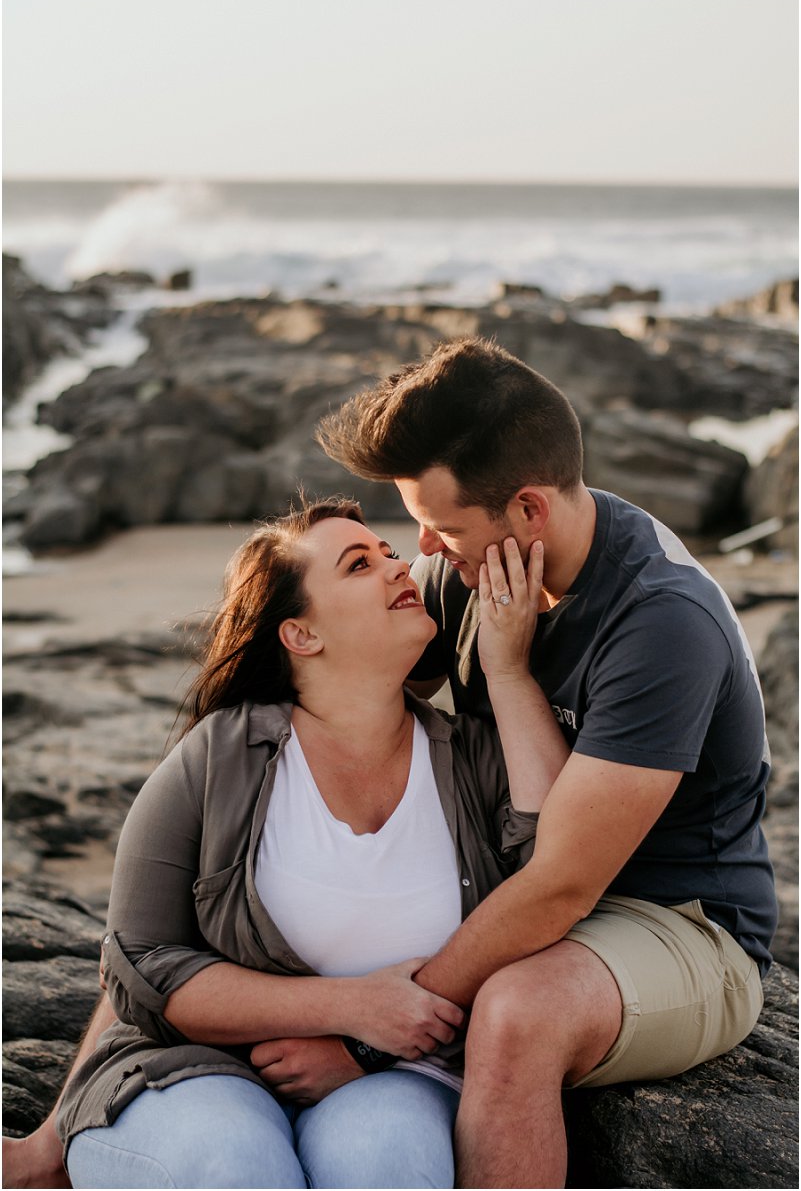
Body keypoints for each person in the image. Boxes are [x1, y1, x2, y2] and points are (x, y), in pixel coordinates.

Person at [315, 336, 777, 1188]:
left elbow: (564, 883)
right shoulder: (471, 564)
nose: (422, 544)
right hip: (516, 885)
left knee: (517, 1013)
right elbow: (338, 688)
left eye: (443, 525)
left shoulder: (660, 622)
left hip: (676, 919)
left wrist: (367, 1030)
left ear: (528, 509)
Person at [6, 495, 568, 1190]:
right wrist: (351, 1006)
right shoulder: (221, 756)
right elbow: (142, 962)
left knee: (387, 1164)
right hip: (189, 1070)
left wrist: (509, 671)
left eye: (389, 552)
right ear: (300, 634)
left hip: (396, 1077)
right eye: (359, 563)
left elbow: (556, 874)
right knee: (238, 1166)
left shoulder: (475, 754)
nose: (400, 565)